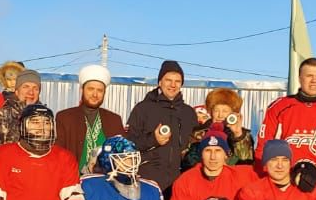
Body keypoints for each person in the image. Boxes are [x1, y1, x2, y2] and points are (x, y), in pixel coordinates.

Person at [166, 129, 256, 200]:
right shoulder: (186, 181)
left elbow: (269, 172)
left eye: (218, 150)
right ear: (201, 153)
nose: (213, 157)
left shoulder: (241, 176)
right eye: (208, 150)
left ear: (226, 155)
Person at [126, 60, 197, 192]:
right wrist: (153, 139)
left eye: (177, 81)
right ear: (160, 82)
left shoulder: (188, 112)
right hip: (147, 180)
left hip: (178, 183)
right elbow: (128, 144)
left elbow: (195, 146)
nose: (173, 85)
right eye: (168, 80)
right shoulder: (143, 109)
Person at [55, 64, 125, 173]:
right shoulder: (65, 117)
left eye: (100, 90)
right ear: (82, 90)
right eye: (91, 89)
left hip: (105, 183)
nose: (95, 94)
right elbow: (58, 153)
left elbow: (122, 153)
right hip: (74, 183)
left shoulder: (114, 120)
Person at [0, 68, 42, 160]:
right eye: (26, 87)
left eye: (35, 88)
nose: (31, 92)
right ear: (17, 91)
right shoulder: (2, 116)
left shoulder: (45, 118)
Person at [185, 87, 256, 166]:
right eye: (216, 110)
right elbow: (188, 162)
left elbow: (246, 163)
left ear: (233, 113)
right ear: (211, 112)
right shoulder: (198, 134)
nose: (220, 115)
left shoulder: (243, 136)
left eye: (225, 111)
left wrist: (238, 135)